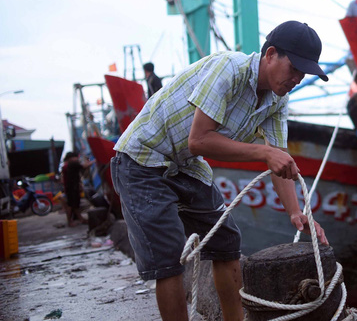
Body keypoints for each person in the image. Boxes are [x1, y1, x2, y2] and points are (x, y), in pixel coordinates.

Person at [111, 20, 329, 321]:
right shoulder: (229, 69)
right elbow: (199, 140)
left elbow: (278, 160)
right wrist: (265, 151)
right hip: (141, 159)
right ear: (270, 54)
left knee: (226, 243)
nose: (298, 78)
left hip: (184, 165)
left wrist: (295, 213)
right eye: (294, 68)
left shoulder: (277, 101)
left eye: (303, 73)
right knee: (169, 256)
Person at [61, 152, 93, 227]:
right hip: (72, 188)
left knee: (75, 205)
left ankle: (80, 218)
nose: (77, 159)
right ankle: (70, 222)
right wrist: (94, 161)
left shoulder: (66, 165)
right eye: (76, 157)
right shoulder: (72, 164)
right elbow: (84, 166)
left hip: (71, 187)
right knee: (71, 205)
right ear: (71, 158)